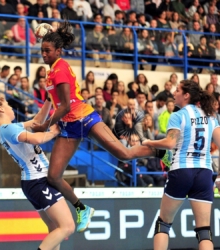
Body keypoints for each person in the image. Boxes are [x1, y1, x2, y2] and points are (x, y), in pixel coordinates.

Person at [33, 19, 165, 231]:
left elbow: (66, 105)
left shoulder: (61, 68)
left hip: (85, 118)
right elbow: (53, 102)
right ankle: (82, 208)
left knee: (124, 154)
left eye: (47, 50)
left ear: (58, 51)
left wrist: (46, 125)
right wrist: (37, 122)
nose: (43, 54)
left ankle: (159, 153)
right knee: (53, 176)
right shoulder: (50, 72)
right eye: (42, 50)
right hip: (69, 128)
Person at [0, 87, 75, 250]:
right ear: (1, 109)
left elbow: (36, 122)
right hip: (38, 181)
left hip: (33, 182)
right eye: (9, 105)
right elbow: (36, 139)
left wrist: (48, 99)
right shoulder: (9, 129)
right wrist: (55, 131)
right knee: (67, 226)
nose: (12, 107)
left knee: (55, 229)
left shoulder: (6, 128)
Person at [142, 80, 220, 250]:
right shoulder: (211, 117)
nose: (174, 93)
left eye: (177, 90)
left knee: (163, 223)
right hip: (204, 173)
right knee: (204, 231)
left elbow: (170, 143)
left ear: (186, 95)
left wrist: (149, 142)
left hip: (182, 170)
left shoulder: (178, 115)